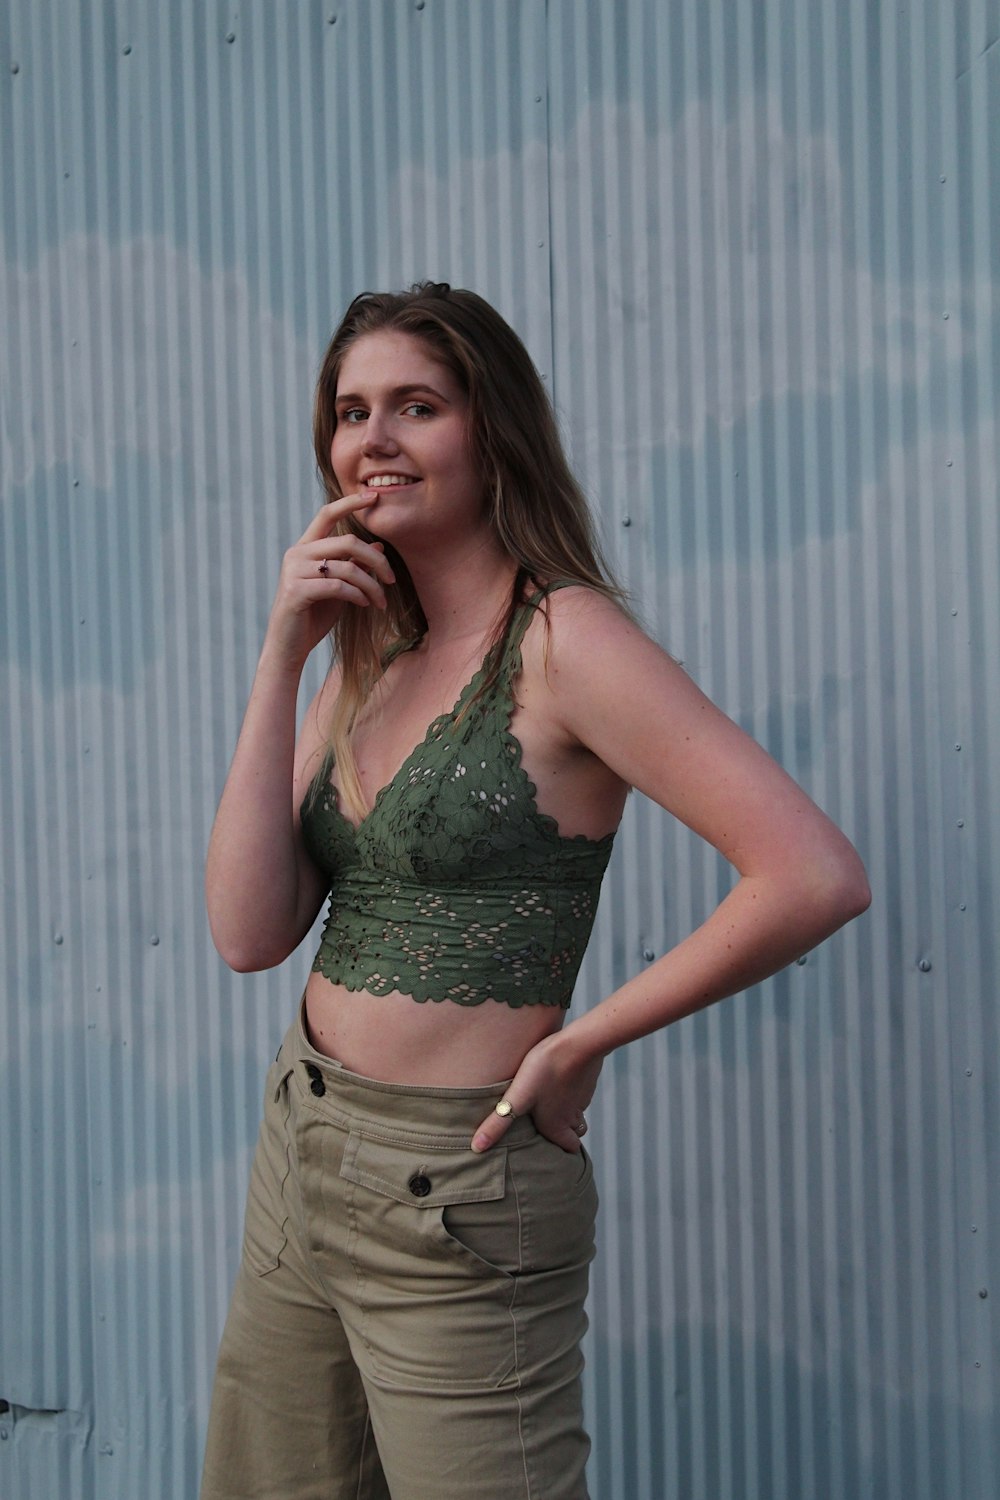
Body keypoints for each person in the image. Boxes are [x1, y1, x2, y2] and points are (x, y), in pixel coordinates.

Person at [199, 282, 870, 1500]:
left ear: (491, 428)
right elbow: (249, 932)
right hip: (300, 1145)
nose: (375, 439)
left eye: (417, 405)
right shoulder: (369, 652)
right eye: (351, 412)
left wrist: (583, 1041)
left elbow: (812, 873)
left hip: (452, 1188)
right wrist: (282, 653)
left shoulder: (566, 643)